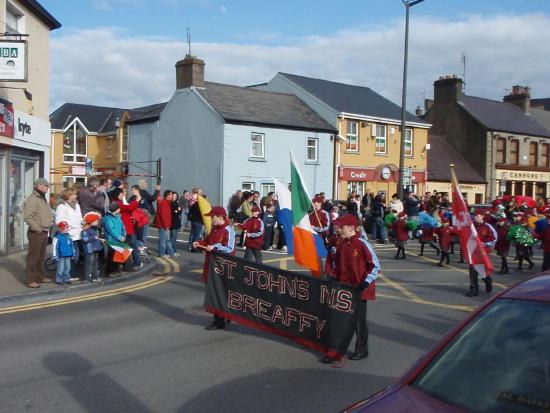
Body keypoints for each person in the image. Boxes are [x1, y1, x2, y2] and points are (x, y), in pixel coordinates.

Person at [325, 214, 380, 363]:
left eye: (341, 226)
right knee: (340, 321)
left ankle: (362, 349)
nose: (338, 228)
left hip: (359, 290)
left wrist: (366, 282)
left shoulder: (362, 243)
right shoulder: (341, 244)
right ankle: (336, 351)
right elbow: (337, 264)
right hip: (344, 289)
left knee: (359, 322)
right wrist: (332, 276)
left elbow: (375, 266)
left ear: (350, 228)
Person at [193, 206, 235, 330]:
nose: (211, 220)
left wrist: (215, 247)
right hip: (211, 264)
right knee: (214, 293)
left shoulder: (228, 230)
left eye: (213, 217)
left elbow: (229, 248)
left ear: (220, 217)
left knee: (217, 293)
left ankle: (219, 320)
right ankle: (225, 315)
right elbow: (207, 242)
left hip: (222, 266)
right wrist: (199, 243)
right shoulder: (214, 229)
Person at [23, 178, 54, 288]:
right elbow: (28, 217)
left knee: (40, 257)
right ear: (39, 186)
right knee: (33, 257)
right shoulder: (33, 199)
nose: (47, 187)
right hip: (36, 232)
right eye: (46, 186)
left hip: (44, 231)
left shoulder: (41, 198)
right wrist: (37, 229)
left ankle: (39, 277)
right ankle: (30, 280)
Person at [111, 187, 143, 269]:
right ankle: (132, 264)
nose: (123, 195)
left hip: (126, 228)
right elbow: (130, 207)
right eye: (121, 193)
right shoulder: (117, 203)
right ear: (117, 195)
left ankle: (135, 263)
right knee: (128, 247)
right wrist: (137, 200)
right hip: (125, 229)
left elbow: (129, 207)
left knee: (130, 247)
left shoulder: (120, 202)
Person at [55, 188, 83, 279]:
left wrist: (83, 223)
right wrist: (69, 227)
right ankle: (69, 274)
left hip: (79, 234)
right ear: (68, 196)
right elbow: (59, 221)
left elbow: (80, 218)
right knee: (72, 256)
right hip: (69, 235)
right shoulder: (62, 207)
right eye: (74, 194)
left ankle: (72, 273)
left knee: (76, 256)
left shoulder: (77, 205)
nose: (76, 196)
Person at [467, 211, 496, 297]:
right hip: (473, 252)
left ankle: (488, 281)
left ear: (482, 216)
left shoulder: (487, 227)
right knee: (472, 270)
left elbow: (493, 238)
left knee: (481, 270)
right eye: (475, 216)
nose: (475, 218)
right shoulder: (471, 227)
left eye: (477, 216)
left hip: (483, 252)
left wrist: (484, 243)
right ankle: (474, 289)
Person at [102, 202, 127, 276]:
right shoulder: (108, 219)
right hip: (112, 240)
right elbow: (111, 230)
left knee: (117, 255)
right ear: (115, 209)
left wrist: (123, 235)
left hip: (119, 239)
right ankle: (109, 271)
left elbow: (123, 227)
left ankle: (115, 270)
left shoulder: (118, 217)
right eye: (119, 208)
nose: (120, 209)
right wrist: (119, 237)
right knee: (111, 256)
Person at [81, 212, 104, 283]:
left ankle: (95, 277)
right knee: (89, 264)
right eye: (96, 220)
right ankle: (88, 278)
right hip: (89, 250)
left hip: (95, 249)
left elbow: (96, 238)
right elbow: (85, 239)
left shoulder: (95, 229)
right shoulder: (85, 230)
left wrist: (100, 240)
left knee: (95, 264)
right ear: (91, 222)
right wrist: (95, 237)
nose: (97, 222)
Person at [52, 221, 76, 285]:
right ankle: (59, 280)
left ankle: (66, 279)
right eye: (66, 228)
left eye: (67, 227)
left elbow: (72, 246)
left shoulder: (69, 237)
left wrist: (73, 253)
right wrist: (55, 256)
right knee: (60, 269)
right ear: (61, 229)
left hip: (68, 255)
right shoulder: (57, 238)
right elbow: (55, 247)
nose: (67, 229)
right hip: (60, 256)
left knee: (67, 268)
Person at [155, 190, 176, 258]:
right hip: (163, 225)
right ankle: (162, 253)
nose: (172, 196)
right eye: (171, 195)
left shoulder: (166, 202)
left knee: (167, 239)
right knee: (163, 240)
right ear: (168, 195)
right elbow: (163, 215)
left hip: (165, 225)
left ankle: (171, 252)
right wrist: (166, 225)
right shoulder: (164, 203)